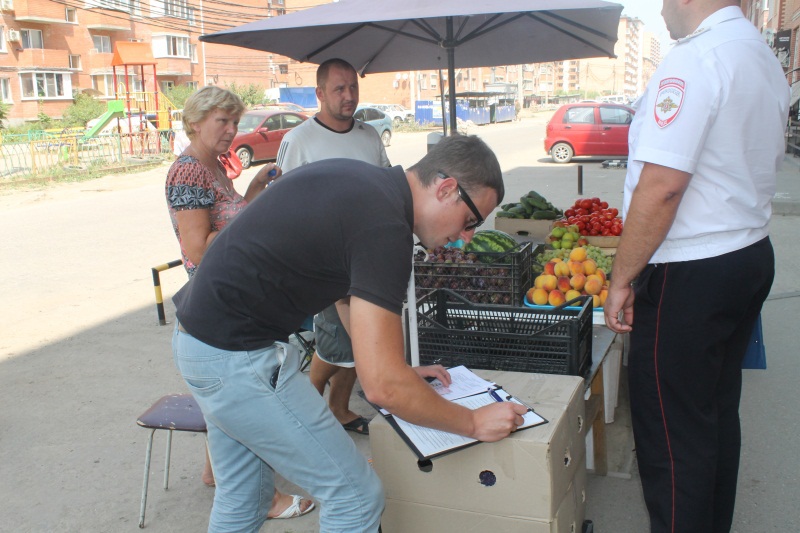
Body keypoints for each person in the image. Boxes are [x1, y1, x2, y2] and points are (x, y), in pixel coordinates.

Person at [171, 134, 529, 532]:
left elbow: (344, 300)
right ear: (446, 189)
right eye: (470, 221)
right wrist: (473, 422)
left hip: (200, 343)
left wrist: (393, 367)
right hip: (235, 357)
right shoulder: (385, 227)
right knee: (356, 498)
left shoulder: (364, 184)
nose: (468, 238)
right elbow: (381, 389)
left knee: (244, 499)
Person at [602, 2, 789, 532]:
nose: (661, 10)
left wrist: (622, 279)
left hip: (693, 269)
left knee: (671, 436)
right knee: (712, 418)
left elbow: (661, 187)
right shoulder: (758, 54)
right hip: (747, 251)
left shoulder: (696, 59)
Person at [164, 85, 314, 521]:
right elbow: (198, 249)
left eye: (235, 122)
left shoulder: (213, 166)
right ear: (195, 122)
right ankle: (262, 498)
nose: (232, 130)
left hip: (231, 298)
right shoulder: (189, 172)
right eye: (221, 122)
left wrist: (251, 193)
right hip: (221, 303)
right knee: (249, 401)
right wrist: (255, 213)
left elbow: (229, 223)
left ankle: (219, 473)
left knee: (228, 404)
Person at [276, 58, 390, 436]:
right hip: (320, 261)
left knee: (360, 340)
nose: (349, 96)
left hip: (366, 256)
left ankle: (338, 408)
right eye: (339, 89)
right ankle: (305, 418)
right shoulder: (299, 140)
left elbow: (384, 185)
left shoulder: (369, 136)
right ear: (320, 93)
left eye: (353, 87)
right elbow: (283, 204)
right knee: (337, 341)